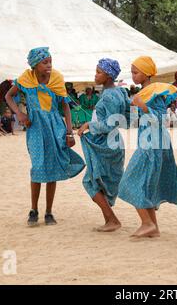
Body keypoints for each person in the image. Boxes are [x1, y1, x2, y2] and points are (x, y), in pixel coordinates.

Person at [5, 47, 85, 226]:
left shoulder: (57, 79)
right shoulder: (25, 79)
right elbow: (8, 96)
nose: (49, 65)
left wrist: (69, 132)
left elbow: (65, 107)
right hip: (35, 128)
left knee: (53, 169)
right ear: (35, 65)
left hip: (55, 127)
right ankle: (33, 210)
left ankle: (49, 212)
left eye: (50, 61)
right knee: (38, 166)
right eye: (45, 62)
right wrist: (19, 113)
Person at [118, 56, 177, 238]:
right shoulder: (144, 92)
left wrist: (143, 107)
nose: (133, 75)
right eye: (132, 72)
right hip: (147, 140)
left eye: (135, 72)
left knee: (130, 180)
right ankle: (152, 227)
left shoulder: (154, 92)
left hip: (153, 142)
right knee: (145, 182)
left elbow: (162, 120)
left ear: (146, 74)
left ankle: (147, 223)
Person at [77, 58, 131, 232]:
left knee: (90, 181)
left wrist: (88, 125)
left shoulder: (109, 95)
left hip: (107, 144)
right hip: (113, 142)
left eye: (99, 72)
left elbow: (111, 123)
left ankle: (112, 220)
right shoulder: (120, 93)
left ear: (108, 76)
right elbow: (127, 119)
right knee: (100, 180)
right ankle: (109, 219)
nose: (95, 75)